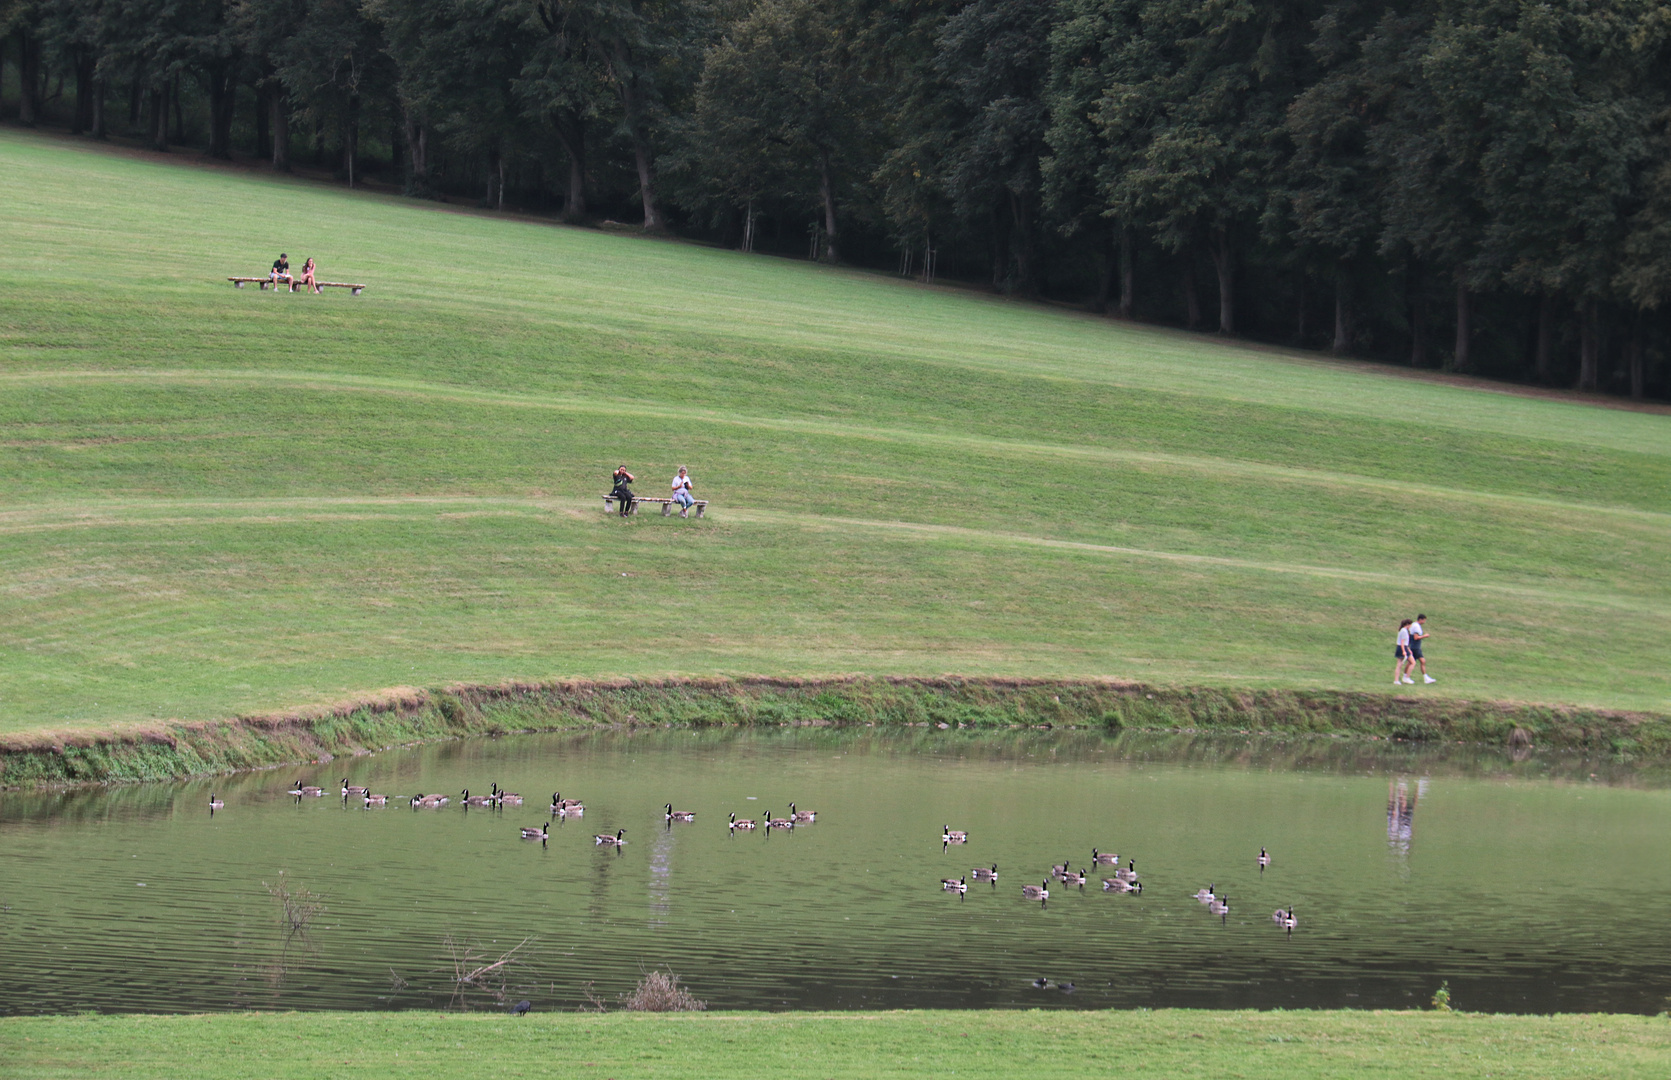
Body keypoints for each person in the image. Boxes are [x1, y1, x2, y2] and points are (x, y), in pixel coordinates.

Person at [1408, 614, 1435, 683]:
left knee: (1421, 661)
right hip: (1415, 647)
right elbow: (1416, 637)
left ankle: (1426, 678)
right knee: (1412, 662)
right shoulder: (1416, 626)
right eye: (1424, 620)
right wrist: (1424, 636)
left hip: (1415, 647)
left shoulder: (1414, 625)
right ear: (1421, 619)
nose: (1424, 622)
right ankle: (1406, 677)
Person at [1393, 619, 1414, 685]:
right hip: (1402, 648)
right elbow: (1402, 642)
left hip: (1403, 647)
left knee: (1400, 664)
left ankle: (1397, 680)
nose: (1411, 626)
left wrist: (1408, 649)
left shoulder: (1403, 630)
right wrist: (1404, 651)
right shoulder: (1404, 631)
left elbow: (1405, 642)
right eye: (1410, 624)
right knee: (1412, 662)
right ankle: (1406, 678)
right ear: (1407, 624)